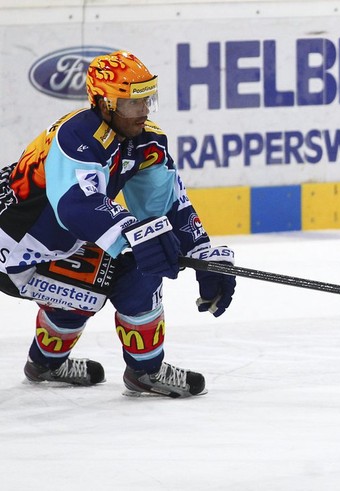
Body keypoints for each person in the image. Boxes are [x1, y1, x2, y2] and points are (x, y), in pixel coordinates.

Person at [0, 50, 236, 398]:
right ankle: (128, 369)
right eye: (131, 103)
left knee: (134, 263)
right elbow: (76, 205)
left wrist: (204, 254)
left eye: (147, 101)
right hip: (17, 249)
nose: (142, 111)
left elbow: (166, 204)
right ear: (104, 103)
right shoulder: (77, 136)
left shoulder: (146, 142)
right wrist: (135, 233)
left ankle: (61, 364)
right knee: (114, 273)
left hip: (61, 240)